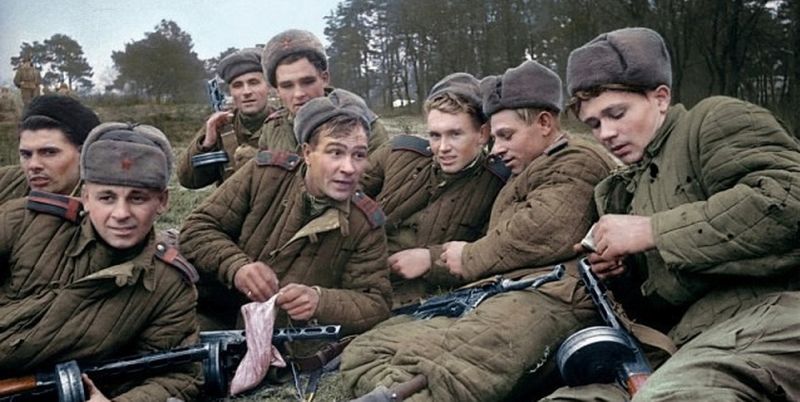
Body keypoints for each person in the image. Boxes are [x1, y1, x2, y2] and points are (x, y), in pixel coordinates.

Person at [542, 27, 800, 401]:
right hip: (683, 342)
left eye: (617, 113)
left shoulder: (712, 121)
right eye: (594, 124)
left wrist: (651, 231)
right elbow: (655, 304)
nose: (606, 133)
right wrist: (620, 274)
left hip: (770, 313)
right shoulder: (618, 190)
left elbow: (788, 201)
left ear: (660, 98)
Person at [340, 60, 616, 402]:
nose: (496, 148)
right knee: (365, 350)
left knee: (451, 376)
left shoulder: (576, 161)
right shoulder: (526, 169)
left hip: (551, 297)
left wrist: (460, 256)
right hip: (501, 293)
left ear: (545, 123)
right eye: (496, 137)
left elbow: (540, 230)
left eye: (506, 136)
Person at [0, 122, 202, 401]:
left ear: (162, 201)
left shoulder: (169, 285)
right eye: (107, 197)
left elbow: (179, 375)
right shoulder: (27, 221)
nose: (121, 213)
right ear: (85, 197)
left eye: (137, 198)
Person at [179, 89, 391, 338]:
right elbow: (196, 229)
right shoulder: (264, 174)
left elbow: (375, 303)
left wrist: (320, 301)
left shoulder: (365, 222)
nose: (349, 168)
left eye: (359, 155)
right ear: (307, 153)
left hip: (284, 338)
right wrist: (236, 267)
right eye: (335, 152)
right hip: (216, 314)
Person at [360, 72, 509, 308]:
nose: (443, 147)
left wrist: (431, 260)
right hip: (360, 275)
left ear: (482, 134)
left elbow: (495, 253)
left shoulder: (498, 184)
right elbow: (346, 192)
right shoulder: (399, 153)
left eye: (455, 134)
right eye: (435, 135)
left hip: (417, 301)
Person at [257, 29, 389, 154]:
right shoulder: (273, 128)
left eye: (307, 82)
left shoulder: (364, 125)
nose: (299, 94)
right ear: (277, 90)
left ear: (324, 78)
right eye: (287, 86)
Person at [177, 48, 272, 188]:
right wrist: (207, 144)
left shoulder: (286, 123)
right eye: (237, 85)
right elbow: (188, 180)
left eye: (254, 82)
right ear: (231, 92)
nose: (246, 92)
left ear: (268, 86)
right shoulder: (221, 124)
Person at [0, 94, 100, 205]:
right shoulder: (7, 183)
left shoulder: (107, 206)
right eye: (26, 154)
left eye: (49, 153)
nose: (33, 165)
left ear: (84, 154)